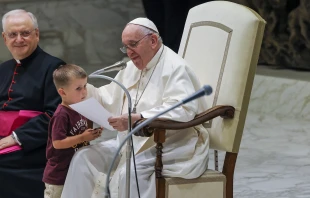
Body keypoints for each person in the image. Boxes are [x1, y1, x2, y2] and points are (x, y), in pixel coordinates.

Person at [61, 17, 209, 198]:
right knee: (83, 157)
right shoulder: (131, 68)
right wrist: (81, 90)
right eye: (125, 47)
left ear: (153, 41)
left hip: (170, 144)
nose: (129, 52)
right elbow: (109, 97)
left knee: (128, 174)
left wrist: (139, 118)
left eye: (133, 45)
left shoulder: (175, 68)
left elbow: (183, 110)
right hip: (130, 142)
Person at [0, 9, 65, 198]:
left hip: (33, 146)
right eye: (13, 34)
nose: (19, 39)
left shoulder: (54, 67)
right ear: (5, 38)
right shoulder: (3, 69)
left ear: (36, 34)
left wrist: (16, 136)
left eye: (25, 33)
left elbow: (56, 115)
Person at [43, 64, 103, 198]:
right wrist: (82, 137)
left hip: (74, 169)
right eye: (78, 88)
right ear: (62, 92)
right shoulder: (61, 115)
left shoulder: (80, 107)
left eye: (85, 86)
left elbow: (82, 130)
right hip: (59, 175)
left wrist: (93, 132)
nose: (84, 92)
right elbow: (57, 143)